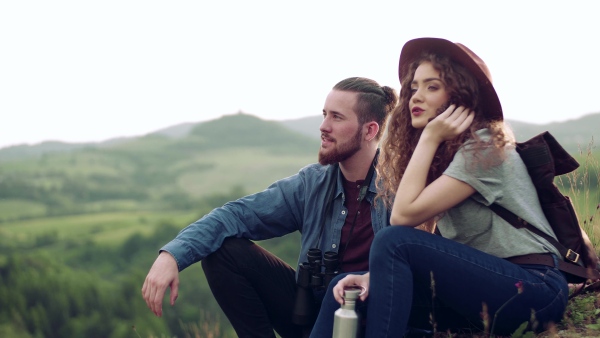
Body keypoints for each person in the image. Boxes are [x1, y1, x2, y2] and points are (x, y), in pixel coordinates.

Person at [310, 38, 600, 337]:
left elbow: (401, 219)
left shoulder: (485, 147)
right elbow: (434, 248)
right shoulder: (450, 158)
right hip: (484, 287)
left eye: (432, 87)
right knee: (347, 287)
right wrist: (374, 277)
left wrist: (429, 137)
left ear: (460, 95)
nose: (415, 97)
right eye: (414, 87)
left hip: (532, 289)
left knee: (393, 240)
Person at [141, 77, 399, 338]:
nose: (323, 126)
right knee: (224, 250)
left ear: (369, 131)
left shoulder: (400, 189)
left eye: (337, 117)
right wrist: (171, 255)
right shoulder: (312, 184)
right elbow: (234, 215)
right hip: (312, 315)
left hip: (375, 321)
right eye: (324, 114)